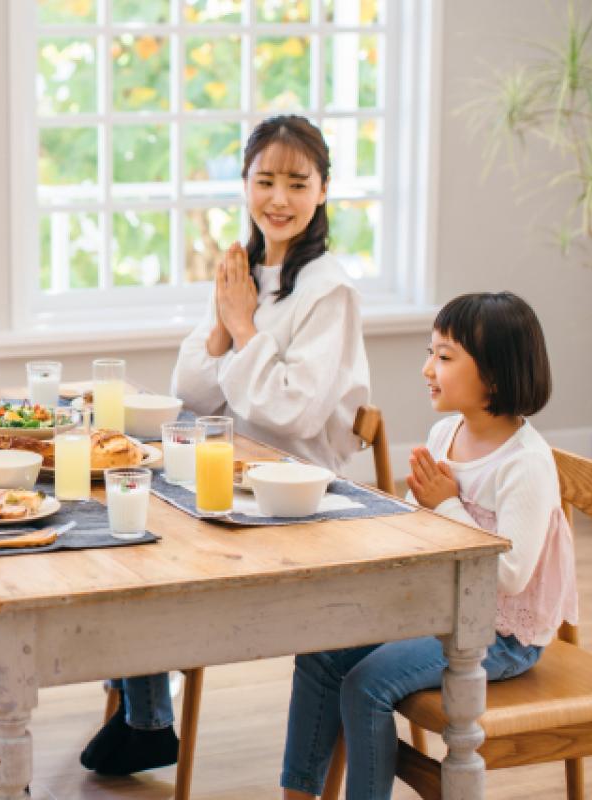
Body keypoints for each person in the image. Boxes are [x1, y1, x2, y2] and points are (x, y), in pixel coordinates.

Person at [80, 114, 373, 776]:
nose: (278, 197)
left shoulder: (333, 291)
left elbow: (294, 412)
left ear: (323, 190)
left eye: (297, 183)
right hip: (225, 467)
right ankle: (145, 711)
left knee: (142, 541)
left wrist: (241, 328)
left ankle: (142, 709)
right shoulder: (246, 271)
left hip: (296, 493)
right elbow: (195, 394)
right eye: (264, 180)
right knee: (120, 522)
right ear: (244, 183)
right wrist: (222, 326)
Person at [280, 292, 578, 800]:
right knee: (321, 655)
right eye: (429, 352)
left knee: (366, 684)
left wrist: (445, 505)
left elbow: (509, 576)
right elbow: (424, 526)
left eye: (444, 357)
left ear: (496, 376)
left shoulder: (524, 462)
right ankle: (299, 794)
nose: (427, 369)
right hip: (443, 612)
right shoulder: (446, 433)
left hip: (501, 635)